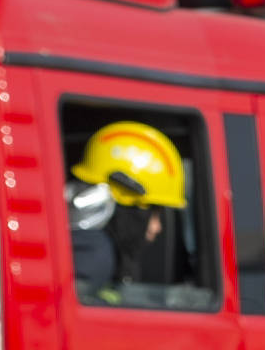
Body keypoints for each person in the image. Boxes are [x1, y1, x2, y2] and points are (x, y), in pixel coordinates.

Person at [66, 120, 201, 308]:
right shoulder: (93, 255)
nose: (157, 227)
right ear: (125, 203)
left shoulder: (88, 248)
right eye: (152, 212)